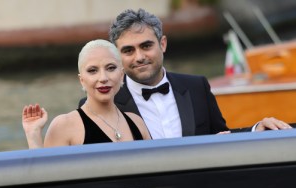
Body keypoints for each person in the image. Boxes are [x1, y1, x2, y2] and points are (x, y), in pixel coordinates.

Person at [79, 9, 292, 139]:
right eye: (128, 50)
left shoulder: (197, 86)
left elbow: (221, 137)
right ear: (118, 55)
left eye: (146, 46)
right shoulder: (99, 101)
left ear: (162, 44)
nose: (139, 57)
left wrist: (256, 130)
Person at [22, 39, 151, 149]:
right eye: (92, 70)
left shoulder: (137, 122)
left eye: (111, 68)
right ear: (82, 80)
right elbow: (46, 175)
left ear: (121, 74)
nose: (103, 78)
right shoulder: (64, 126)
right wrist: (33, 135)